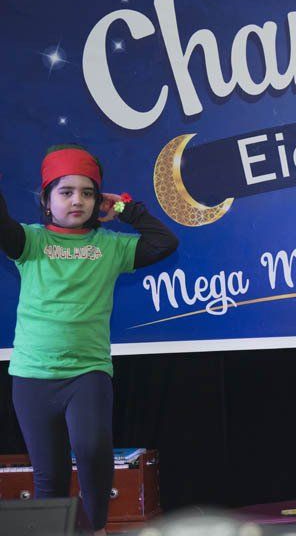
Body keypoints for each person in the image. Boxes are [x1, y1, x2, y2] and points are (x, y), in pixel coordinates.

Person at [1, 144, 178, 535]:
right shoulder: (29, 242)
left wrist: (126, 210)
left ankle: (96, 530)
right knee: (50, 475)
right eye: (65, 192)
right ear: (46, 200)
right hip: (33, 377)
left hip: (88, 373)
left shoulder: (111, 246)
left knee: (94, 452)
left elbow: (164, 243)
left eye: (88, 192)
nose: (77, 200)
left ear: (99, 200)